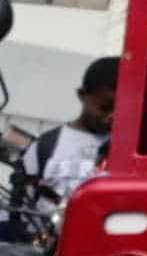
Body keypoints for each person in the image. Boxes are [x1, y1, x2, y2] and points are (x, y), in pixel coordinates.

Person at [17, 58, 115, 210]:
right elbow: (22, 204)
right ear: (82, 95)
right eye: (105, 107)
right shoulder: (45, 145)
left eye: (120, 108)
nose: (111, 116)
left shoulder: (131, 150)